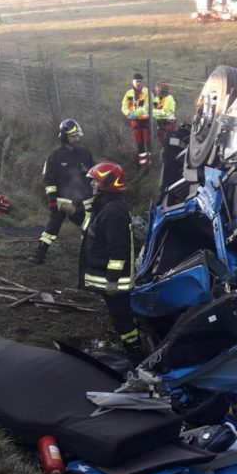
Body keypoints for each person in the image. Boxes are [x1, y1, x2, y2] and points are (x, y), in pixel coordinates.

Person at [78, 161, 143, 365]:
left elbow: (119, 249)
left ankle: (137, 356)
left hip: (115, 281)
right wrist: (74, 213)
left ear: (107, 183)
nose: (92, 185)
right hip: (108, 278)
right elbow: (91, 231)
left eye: (96, 181)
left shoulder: (114, 212)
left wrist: (113, 280)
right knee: (119, 317)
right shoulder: (105, 207)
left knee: (122, 319)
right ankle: (132, 349)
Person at [29, 119, 95, 265]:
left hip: (84, 199)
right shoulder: (55, 156)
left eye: (77, 136)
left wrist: (94, 191)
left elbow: (94, 173)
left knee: (89, 227)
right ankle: (40, 253)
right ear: (64, 136)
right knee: (52, 227)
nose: (76, 139)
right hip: (62, 200)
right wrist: (52, 199)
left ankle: (90, 256)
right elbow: (49, 179)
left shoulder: (84, 153)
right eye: (73, 136)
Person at [121, 72, 151, 168]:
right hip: (135, 123)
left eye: (140, 81)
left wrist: (134, 114)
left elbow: (146, 107)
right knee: (139, 143)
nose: (138, 83)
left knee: (148, 142)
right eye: (137, 81)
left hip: (145, 122)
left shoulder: (148, 93)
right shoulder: (128, 93)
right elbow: (124, 106)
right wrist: (128, 113)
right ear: (133, 82)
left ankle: (151, 163)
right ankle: (143, 165)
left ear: (143, 83)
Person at [151, 82, 176, 147]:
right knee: (164, 145)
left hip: (169, 125)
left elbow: (164, 112)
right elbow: (155, 113)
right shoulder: (156, 99)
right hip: (161, 127)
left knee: (172, 143)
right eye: (156, 89)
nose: (156, 90)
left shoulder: (169, 98)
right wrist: (155, 112)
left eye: (157, 89)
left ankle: (174, 153)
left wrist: (153, 112)